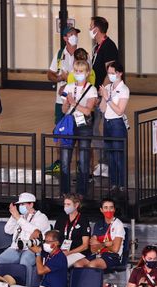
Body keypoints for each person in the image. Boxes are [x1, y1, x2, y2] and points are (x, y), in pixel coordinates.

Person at [0, 230, 67, 287]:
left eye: (47, 241)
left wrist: (38, 254)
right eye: (45, 241)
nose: (45, 244)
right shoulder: (49, 254)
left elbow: (40, 271)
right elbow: (31, 248)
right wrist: (31, 239)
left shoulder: (59, 257)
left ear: (56, 243)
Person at [0, 193, 51, 287]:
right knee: (0, 260)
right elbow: (7, 230)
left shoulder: (41, 217)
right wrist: (13, 217)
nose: (20, 207)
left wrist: (18, 217)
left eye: (23, 204)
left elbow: (35, 232)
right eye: (19, 204)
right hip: (16, 247)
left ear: (31, 204)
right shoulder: (20, 216)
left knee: (25, 262)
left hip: (32, 248)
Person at [59, 59, 98, 195]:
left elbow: (88, 110)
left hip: (84, 125)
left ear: (87, 73)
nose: (78, 74)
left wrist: (74, 103)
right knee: (65, 159)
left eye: (81, 71)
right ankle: (65, 191)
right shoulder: (69, 87)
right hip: (70, 123)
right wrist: (66, 103)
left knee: (83, 159)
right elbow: (64, 110)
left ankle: (82, 192)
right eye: (76, 71)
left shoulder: (91, 89)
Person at [100, 61, 129, 190]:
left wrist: (108, 99)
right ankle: (113, 183)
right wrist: (103, 97)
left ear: (120, 73)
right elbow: (102, 109)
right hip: (107, 122)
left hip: (117, 124)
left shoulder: (124, 89)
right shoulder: (107, 87)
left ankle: (122, 183)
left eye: (113, 73)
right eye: (109, 73)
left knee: (118, 155)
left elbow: (119, 110)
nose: (110, 75)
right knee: (110, 155)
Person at [74, 198, 124, 271]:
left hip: (113, 256)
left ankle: (95, 282)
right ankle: (85, 282)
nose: (108, 210)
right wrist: (106, 244)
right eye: (106, 208)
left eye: (111, 207)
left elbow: (115, 249)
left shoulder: (118, 224)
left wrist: (100, 244)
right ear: (101, 210)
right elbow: (93, 249)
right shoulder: (98, 224)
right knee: (78, 264)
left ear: (114, 209)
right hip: (98, 254)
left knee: (92, 265)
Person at [48, 26, 79, 125]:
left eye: (76, 34)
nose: (74, 36)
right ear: (65, 38)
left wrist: (67, 84)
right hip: (61, 100)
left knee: (78, 128)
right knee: (59, 127)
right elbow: (50, 74)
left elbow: (87, 76)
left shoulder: (82, 54)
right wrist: (60, 78)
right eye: (71, 34)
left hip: (78, 100)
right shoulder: (60, 54)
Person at [54, 194, 91, 268]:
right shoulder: (62, 217)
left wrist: (69, 252)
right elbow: (55, 236)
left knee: (60, 263)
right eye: (65, 204)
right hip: (62, 251)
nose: (66, 207)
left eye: (68, 204)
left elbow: (85, 245)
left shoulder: (83, 220)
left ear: (76, 205)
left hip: (78, 252)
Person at [88, 16, 119, 97]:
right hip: (96, 91)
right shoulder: (97, 46)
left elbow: (110, 74)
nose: (89, 29)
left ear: (96, 29)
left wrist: (101, 91)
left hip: (104, 94)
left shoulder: (109, 46)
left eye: (91, 26)